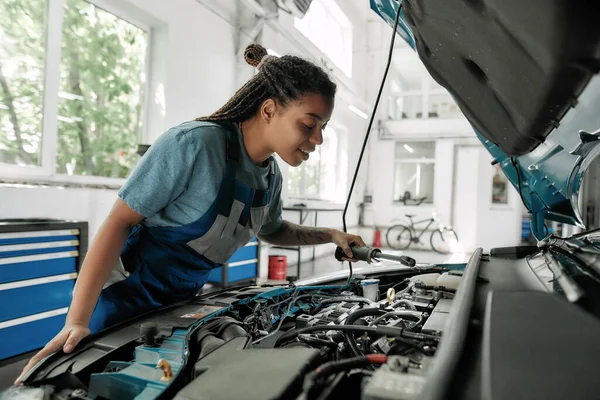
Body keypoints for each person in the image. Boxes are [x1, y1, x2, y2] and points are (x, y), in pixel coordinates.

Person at [15, 43, 365, 383]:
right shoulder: (194, 145)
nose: (318, 139)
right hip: (118, 304)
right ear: (269, 110)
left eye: (323, 128)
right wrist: (77, 319)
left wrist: (331, 235)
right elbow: (119, 222)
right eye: (309, 124)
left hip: (180, 307)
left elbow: (271, 230)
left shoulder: (270, 176)